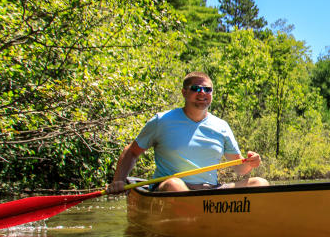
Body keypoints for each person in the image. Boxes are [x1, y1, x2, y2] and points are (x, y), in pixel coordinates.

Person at [108, 72, 268, 193]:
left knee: (260, 183)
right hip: (169, 188)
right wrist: (118, 180)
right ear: (184, 92)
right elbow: (131, 152)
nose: (202, 93)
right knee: (175, 184)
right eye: (196, 88)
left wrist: (251, 163)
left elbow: (239, 169)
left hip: (210, 190)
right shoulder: (161, 121)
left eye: (207, 89)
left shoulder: (222, 126)